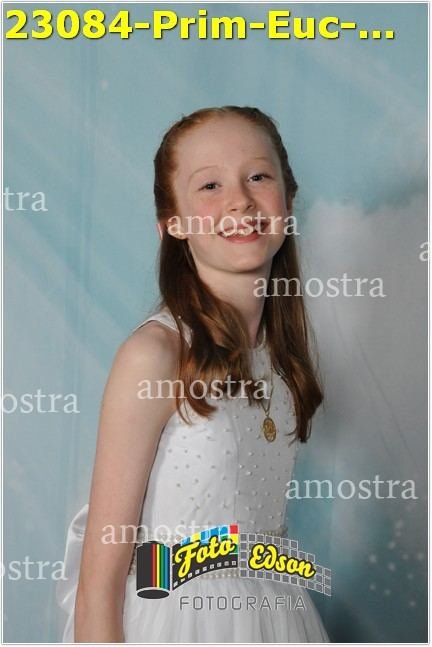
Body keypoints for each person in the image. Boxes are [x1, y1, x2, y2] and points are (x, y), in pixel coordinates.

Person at [57, 106, 329, 642]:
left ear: (288, 200)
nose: (240, 200)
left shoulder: (281, 359)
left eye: (258, 176)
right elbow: (97, 587)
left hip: (276, 617)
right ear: (172, 223)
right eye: (209, 185)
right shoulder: (156, 355)